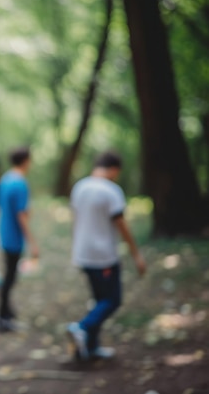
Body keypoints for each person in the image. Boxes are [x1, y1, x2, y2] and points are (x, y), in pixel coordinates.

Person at [66, 151, 147, 361]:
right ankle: (81, 328)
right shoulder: (111, 191)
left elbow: (76, 220)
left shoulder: (79, 186)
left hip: (83, 254)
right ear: (113, 169)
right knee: (112, 300)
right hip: (103, 256)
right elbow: (121, 225)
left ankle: (91, 347)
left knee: (98, 300)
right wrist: (136, 254)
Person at [0, 146, 39, 332]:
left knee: (9, 275)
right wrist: (33, 242)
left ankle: (7, 311)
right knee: (10, 278)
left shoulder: (5, 179)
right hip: (13, 237)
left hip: (4, 234)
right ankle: (2, 317)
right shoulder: (20, 183)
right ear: (26, 160)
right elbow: (22, 215)